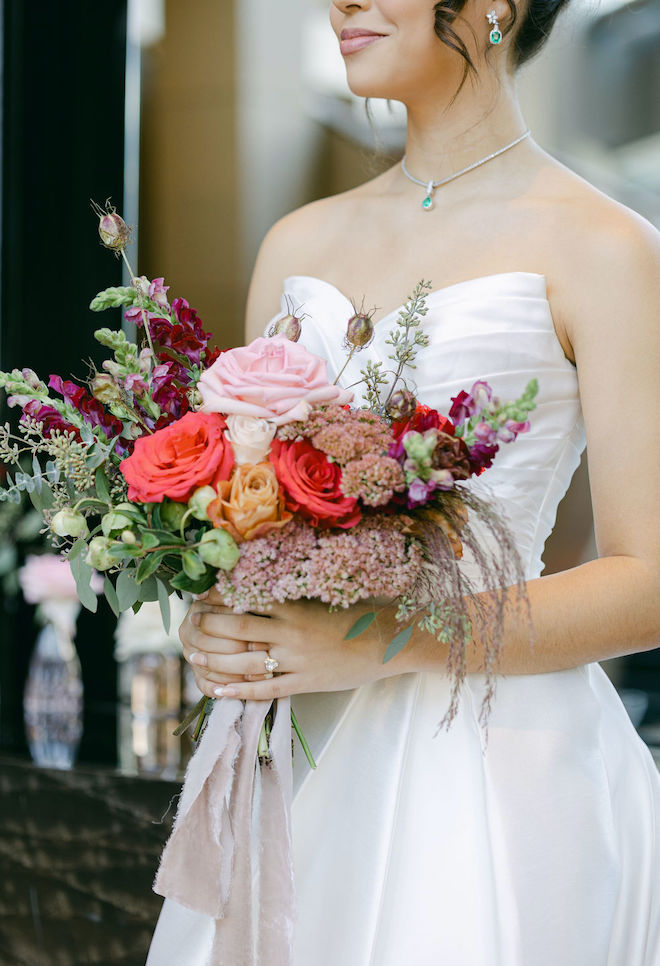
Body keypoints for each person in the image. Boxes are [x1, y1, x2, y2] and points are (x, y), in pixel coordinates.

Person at [148, 1, 660, 963]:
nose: (339, 0)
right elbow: (241, 508)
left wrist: (386, 638)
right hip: (286, 760)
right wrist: (222, 613)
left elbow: (651, 580)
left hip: (488, 772)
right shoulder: (295, 244)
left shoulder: (608, 248)